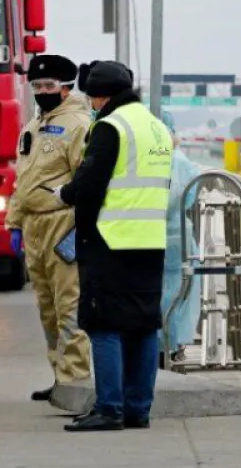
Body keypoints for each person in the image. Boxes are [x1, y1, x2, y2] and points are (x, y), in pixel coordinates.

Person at [55, 61, 172, 432]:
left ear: (101, 97)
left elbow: (90, 184)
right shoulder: (156, 127)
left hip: (111, 238)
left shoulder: (110, 126)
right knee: (142, 324)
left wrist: (64, 194)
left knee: (103, 323)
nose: (90, 103)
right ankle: (139, 408)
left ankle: (109, 407)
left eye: (91, 98)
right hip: (150, 239)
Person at [5, 54, 93, 402]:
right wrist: (14, 222)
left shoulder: (78, 125)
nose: (41, 91)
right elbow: (23, 180)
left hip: (61, 222)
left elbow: (82, 180)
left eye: (48, 86)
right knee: (47, 307)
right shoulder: (34, 125)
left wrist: (77, 230)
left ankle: (76, 380)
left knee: (69, 304)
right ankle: (60, 376)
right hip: (33, 224)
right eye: (37, 86)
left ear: (65, 88)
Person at [160, 111, 204, 360]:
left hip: (149, 234)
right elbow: (190, 198)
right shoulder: (184, 162)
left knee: (153, 291)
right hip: (180, 236)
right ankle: (175, 344)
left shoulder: (145, 159)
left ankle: (155, 345)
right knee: (179, 291)